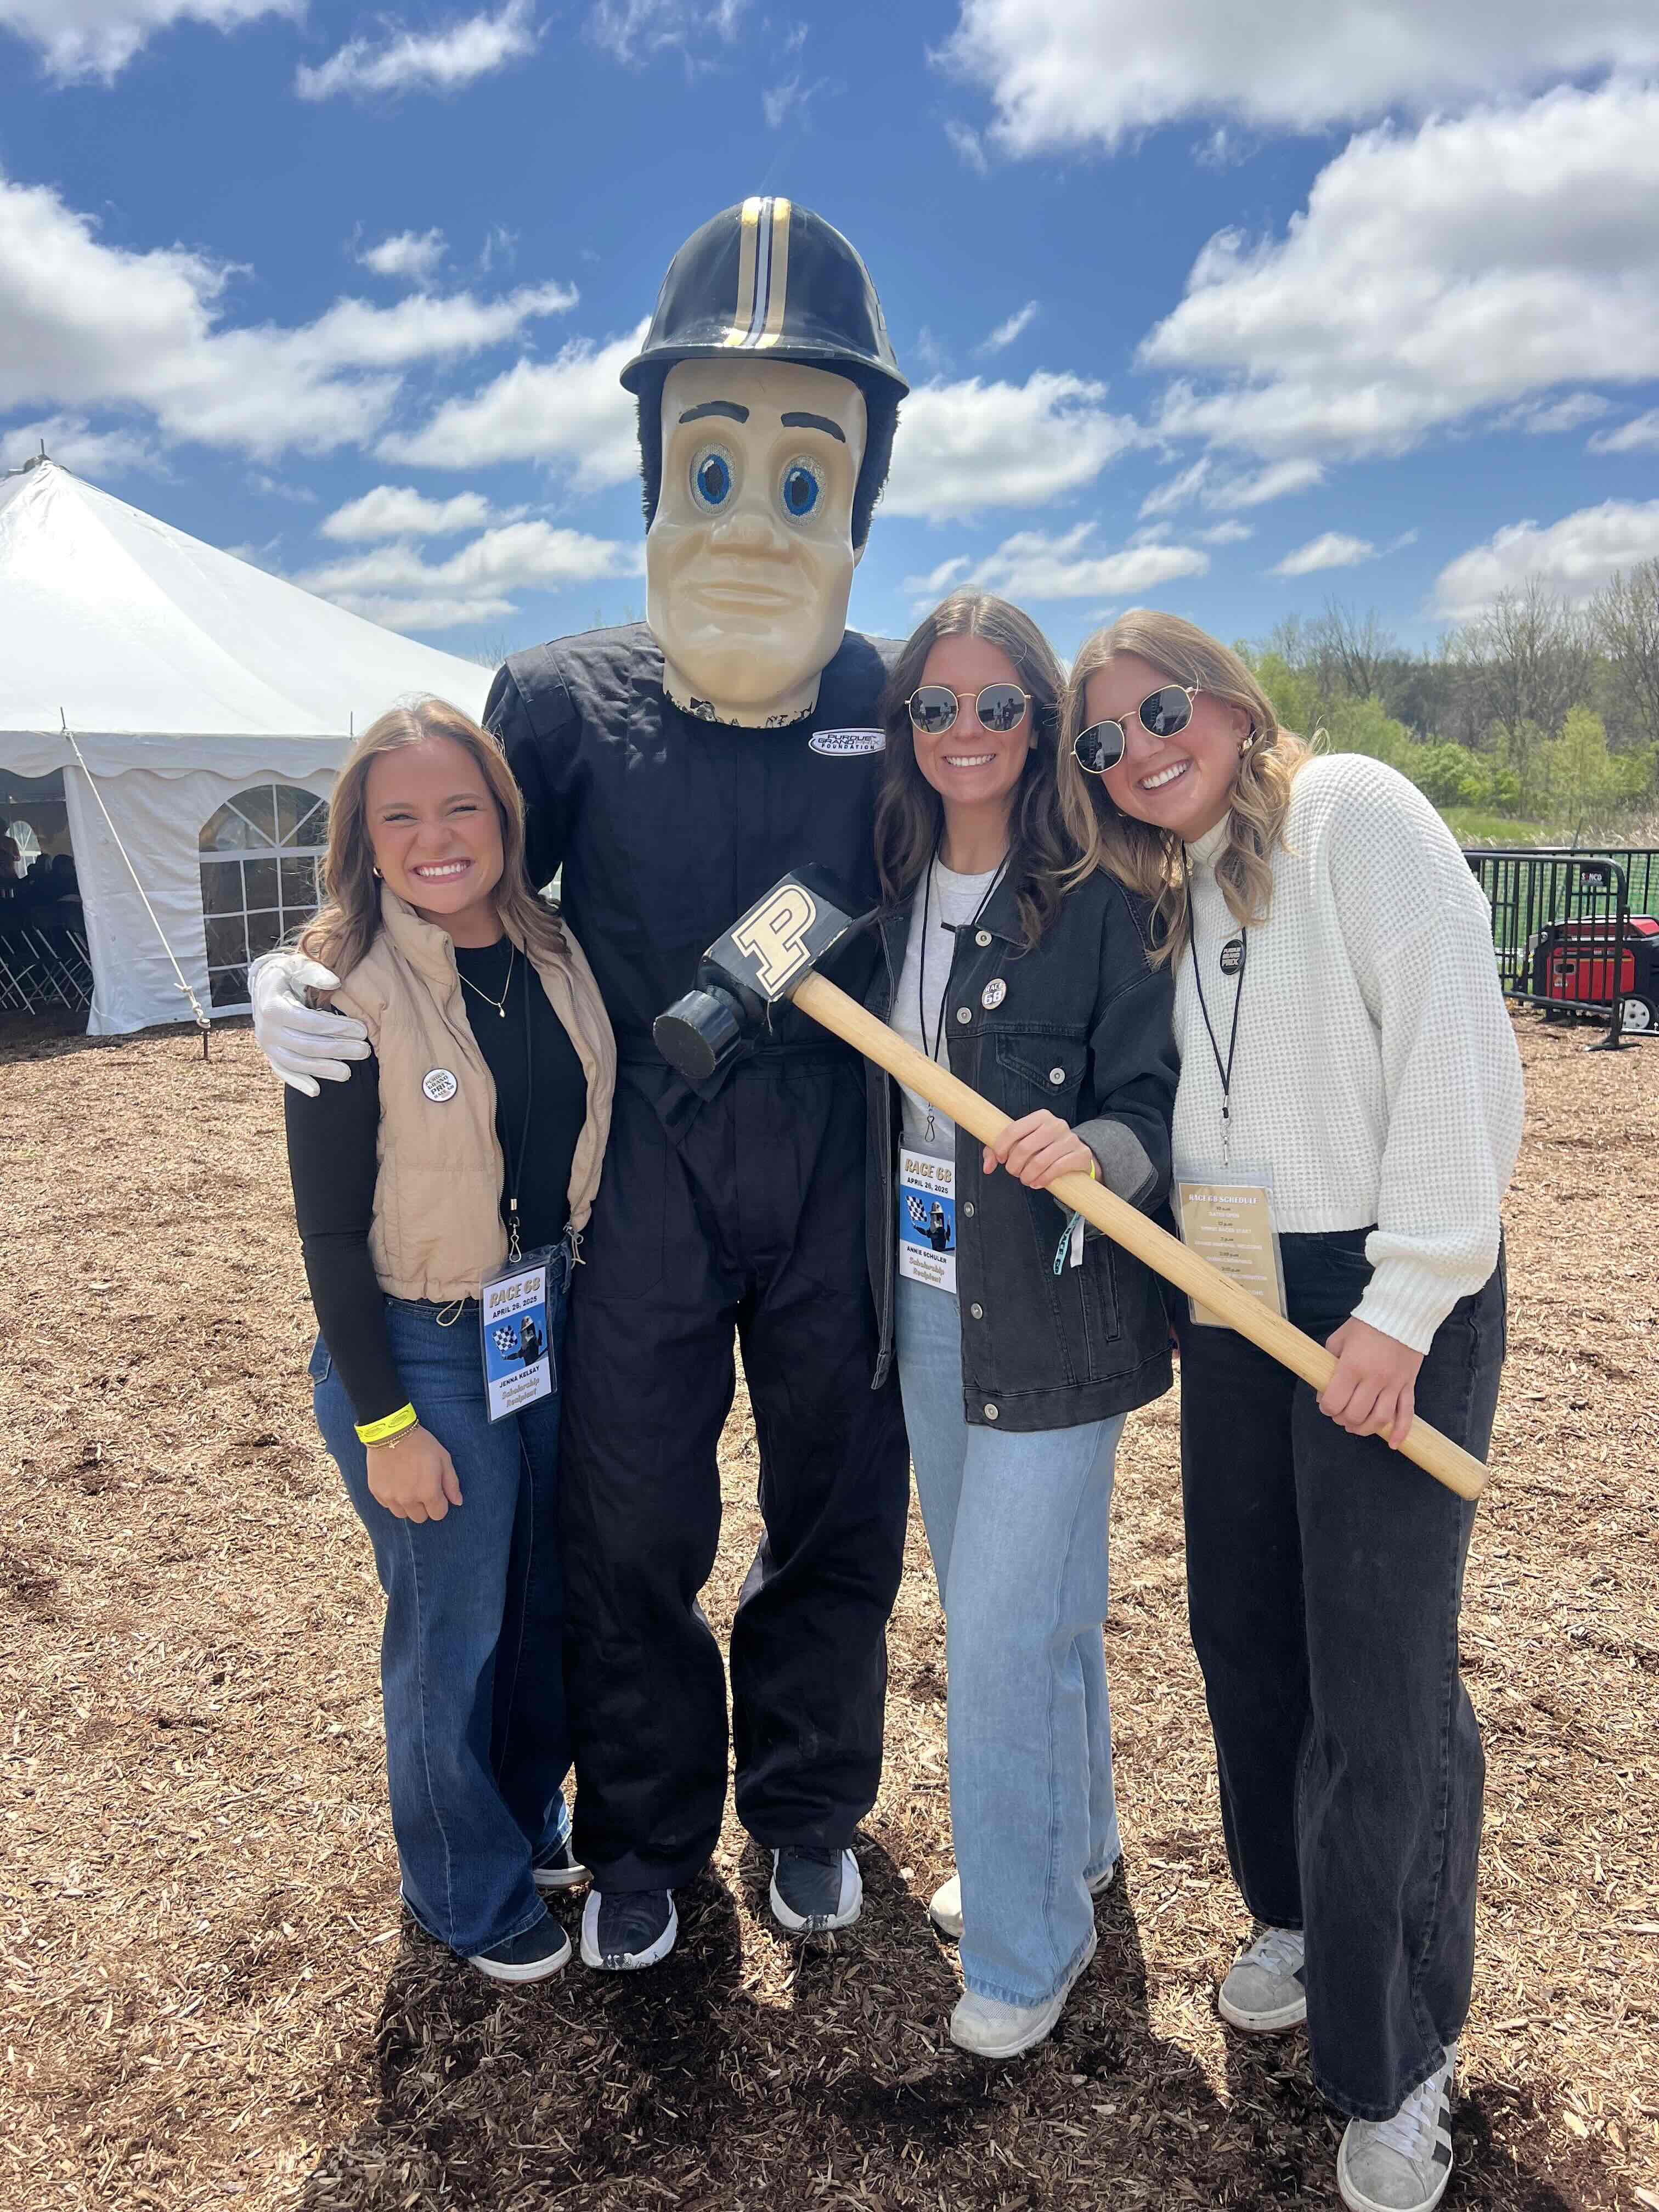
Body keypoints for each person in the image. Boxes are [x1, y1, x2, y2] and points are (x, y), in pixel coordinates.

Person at [252, 199, 912, 1973]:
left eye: (806, 474)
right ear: (649, 472)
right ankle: (638, 1834)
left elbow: (1017, 866)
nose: (756, 520)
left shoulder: (896, 699)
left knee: (838, 1505)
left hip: (838, 1175)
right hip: (639, 1193)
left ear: (861, 491)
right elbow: (452, 876)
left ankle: (804, 1806)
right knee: (630, 1521)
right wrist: (303, 971)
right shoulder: (556, 698)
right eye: (714, 463)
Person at [1064, 611, 1522, 2212]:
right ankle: (1298, 1914)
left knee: (1381, 1678)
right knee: (1246, 1630)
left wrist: (1405, 1305)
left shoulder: (1355, 811)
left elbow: (1459, 1060)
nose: (1137, 752)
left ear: (1236, 704)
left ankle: (1401, 2055)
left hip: (1380, 1286)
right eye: (1104, 741)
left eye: (1162, 711)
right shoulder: (1172, 890)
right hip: (1234, 1291)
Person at [862, 592, 1177, 2058]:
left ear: (1043, 723)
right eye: (938, 705)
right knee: (1034, 1610)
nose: (967, 730)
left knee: (991, 1633)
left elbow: (1152, 1106)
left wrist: (1093, 1150)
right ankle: (1076, 1843)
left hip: (1057, 1307)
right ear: (907, 726)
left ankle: (1024, 1942)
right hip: (926, 1303)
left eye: (998, 704)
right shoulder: (881, 884)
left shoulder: (1101, 897)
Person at [284, 698, 616, 1986]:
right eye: (401, 815)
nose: (436, 838)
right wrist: (385, 1422)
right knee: (449, 1638)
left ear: (505, 819)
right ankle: (463, 1893)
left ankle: (523, 1822)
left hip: (541, 1324)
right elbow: (326, 1233)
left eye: (461, 806)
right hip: (419, 1351)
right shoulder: (338, 992)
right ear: (363, 838)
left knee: (538, 1608)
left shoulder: (555, 948)